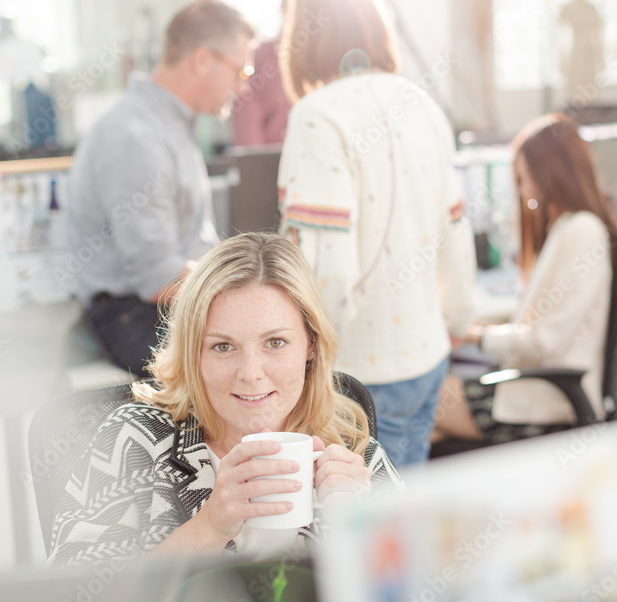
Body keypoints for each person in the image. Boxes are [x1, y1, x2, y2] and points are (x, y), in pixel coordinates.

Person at [48, 233, 403, 566]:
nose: (250, 373)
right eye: (222, 346)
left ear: (310, 344)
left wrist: (361, 527)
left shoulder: (355, 453)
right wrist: (210, 527)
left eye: (275, 342)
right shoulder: (135, 442)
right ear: (193, 353)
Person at [276, 0, 476, 467]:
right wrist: (457, 320)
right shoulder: (422, 103)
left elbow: (326, 266)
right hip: (427, 357)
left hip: (360, 373)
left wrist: (305, 363)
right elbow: (454, 233)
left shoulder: (317, 115)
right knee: (403, 504)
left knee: (364, 513)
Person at [63, 0, 254, 376]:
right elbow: (158, 278)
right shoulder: (137, 136)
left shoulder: (168, 125)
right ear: (202, 60)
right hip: (136, 316)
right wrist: (243, 292)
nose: (244, 85)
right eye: (241, 70)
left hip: (164, 307)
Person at [432, 114, 617, 445]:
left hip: (546, 401)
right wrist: (474, 331)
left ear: (550, 174)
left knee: (418, 404)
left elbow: (545, 341)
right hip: (527, 386)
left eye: (524, 179)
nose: (522, 191)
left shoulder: (582, 232)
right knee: (425, 429)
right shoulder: (564, 228)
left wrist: (475, 336)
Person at [230, 0, 299, 146]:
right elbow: (247, 128)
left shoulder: (328, 64)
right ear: (284, 8)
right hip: (273, 161)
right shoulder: (258, 58)